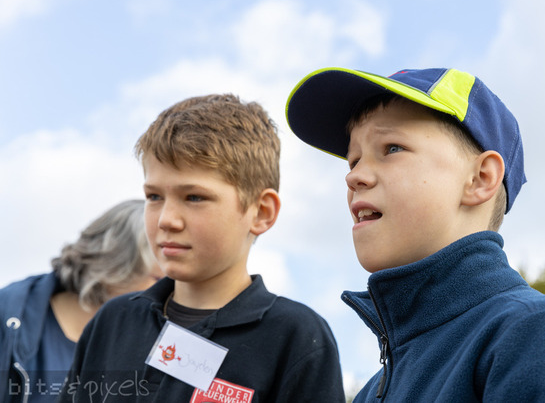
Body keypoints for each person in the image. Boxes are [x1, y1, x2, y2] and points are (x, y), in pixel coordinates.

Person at [286, 67, 545, 401]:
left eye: (391, 148)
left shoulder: (538, 332)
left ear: (480, 179)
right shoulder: (369, 392)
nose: (354, 177)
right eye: (353, 161)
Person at [58, 93, 345, 402]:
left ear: (261, 212)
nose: (167, 219)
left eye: (194, 197)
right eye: (154, 197)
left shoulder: (296, 337)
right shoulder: (113, 322)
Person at [1, 199, 162, 403]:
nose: (168, 294)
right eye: (158, 280)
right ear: (116, 264)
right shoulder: (9, 317)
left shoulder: (154, 348)